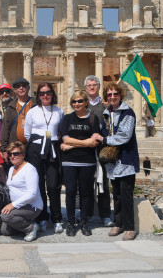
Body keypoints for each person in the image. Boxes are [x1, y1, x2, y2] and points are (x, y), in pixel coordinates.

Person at [93, 82, 140, 241]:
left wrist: (104, 138)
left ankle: (130, 227)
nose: (112, 97)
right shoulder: (107, 113)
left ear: (120, 95)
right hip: (113, 161)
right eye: (110, 94)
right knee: (117, 194)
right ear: (106, 97)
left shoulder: (128, 113)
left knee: (126, 194)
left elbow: (124, 136)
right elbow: (103, 131)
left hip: (126, 159)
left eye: (115, 94)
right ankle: (119, 223)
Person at [24, 82, 64, 233]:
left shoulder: (59, 111)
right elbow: (28, 133)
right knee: (39, 184)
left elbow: (60, 131)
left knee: (54, 185)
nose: (45, 95)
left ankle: (57, 218)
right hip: (36, 149)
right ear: (38, 96)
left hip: (52, 148)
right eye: (42, 93)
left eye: (48, 92)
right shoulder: (32, 112)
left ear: (52, 94)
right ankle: (42, 217)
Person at [59, 91, 100, 237]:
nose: (77, 104)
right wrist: (84, 143)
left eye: (80, 101)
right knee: (70, 192)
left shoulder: (93, 119)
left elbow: (94, 142)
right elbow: (65, 139)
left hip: (87, 161)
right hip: (69, 161)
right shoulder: (67, 118)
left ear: (86, 102)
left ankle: (84, 221)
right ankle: (70, 222)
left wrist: (73, 145)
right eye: (74, 101)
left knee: (85, 193)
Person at [85, 75, 114, 227]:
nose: (92, 87)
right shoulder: (80, 103)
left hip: (102, 148)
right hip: (85, 147)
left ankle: (105, 215)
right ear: (85, 88)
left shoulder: (106, 106)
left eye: (94, 85)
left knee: (103, 182)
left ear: (98, 87)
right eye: (89, 85)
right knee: (86, 183)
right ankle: (87, 214)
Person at [0, 142, 43, 242]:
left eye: (16, 153)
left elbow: (32, 194)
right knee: (4, 231)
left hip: (32, 206)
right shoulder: (11, 169)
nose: (12, 156)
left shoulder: (30, 169)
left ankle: (31, 228)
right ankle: (24, 224)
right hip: (18, 207)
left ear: (23, 154)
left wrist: (12, 205)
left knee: (5, 216)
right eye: (10, 154)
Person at [0, 77, 34, 153]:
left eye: (24, 86)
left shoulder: (35, 104)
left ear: (28, 88)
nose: (21, 88)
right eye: (18, 86)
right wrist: (4, 149)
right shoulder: (11, 107)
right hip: (15, 148)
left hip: (33, 147)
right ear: (15, 90)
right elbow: (5, 129)